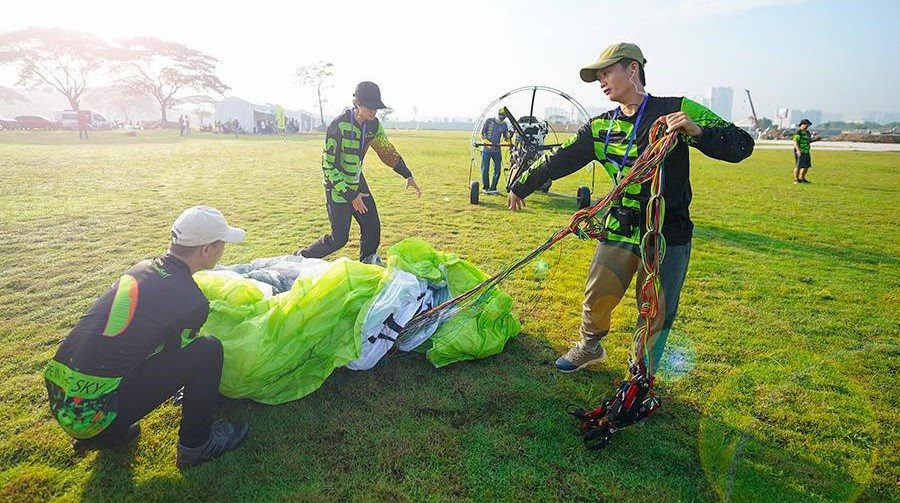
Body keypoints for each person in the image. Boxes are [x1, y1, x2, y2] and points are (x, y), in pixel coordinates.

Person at [508, 42, 754, 375]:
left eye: (607, 72)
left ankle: (641, 371)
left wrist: (696, 131)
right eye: (598, 76)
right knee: (598, 295)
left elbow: (741, 145)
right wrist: (521, 185)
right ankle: (589, 347)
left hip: (667, 232)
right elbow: (559, 158)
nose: (601, 81)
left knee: (656, 308)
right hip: (620, 228)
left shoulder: (678, 109)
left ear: (633, 68)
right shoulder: (600, 127)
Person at [44, 206, 250, 468]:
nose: (224, 249)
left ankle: (107, 432)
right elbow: (179, 357)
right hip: (92, 415)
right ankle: (197, 446)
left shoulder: (142, 268)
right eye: (222, 243)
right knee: (207, 351)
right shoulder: (192, 301)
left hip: (61, 398)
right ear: (206, 249)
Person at [297, 81, 422, 264]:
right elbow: (328, 165)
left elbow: (386, 150)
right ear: (357, 103)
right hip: (337, 186)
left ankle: (367, 262)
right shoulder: (338, 125)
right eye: (369, 107)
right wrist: (351, 195)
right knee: (339, 238)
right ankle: (301, 257)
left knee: (372, 226)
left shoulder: (373, 126)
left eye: (376, 108)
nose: (373, 112)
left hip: (357, 181)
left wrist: (407, 174)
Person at [480, 109, 511, 194]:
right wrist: (487, 142)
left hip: (497, 151)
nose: (502, 119)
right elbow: (482, 134)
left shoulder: (504, 125)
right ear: (498, 115)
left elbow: (505, 137)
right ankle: (486, 188)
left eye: (504, 118)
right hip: (486, 150)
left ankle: (493, 188)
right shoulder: (489, 121)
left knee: (497, 170)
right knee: (485, 169)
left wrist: (509, 140)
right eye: (501, 117)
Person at [792, 118, 819, 183]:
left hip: (806, 151)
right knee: (798, 166)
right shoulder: (799, 132)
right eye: (807, 124)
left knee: (806, 166)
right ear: (802, 124)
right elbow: (795, 142)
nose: (808, 126)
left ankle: (802, 178)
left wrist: (815, 139)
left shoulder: (807, 132)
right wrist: (798, 150)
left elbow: (809, 141)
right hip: (800, 151)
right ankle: (796, 179)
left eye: (808, 125)